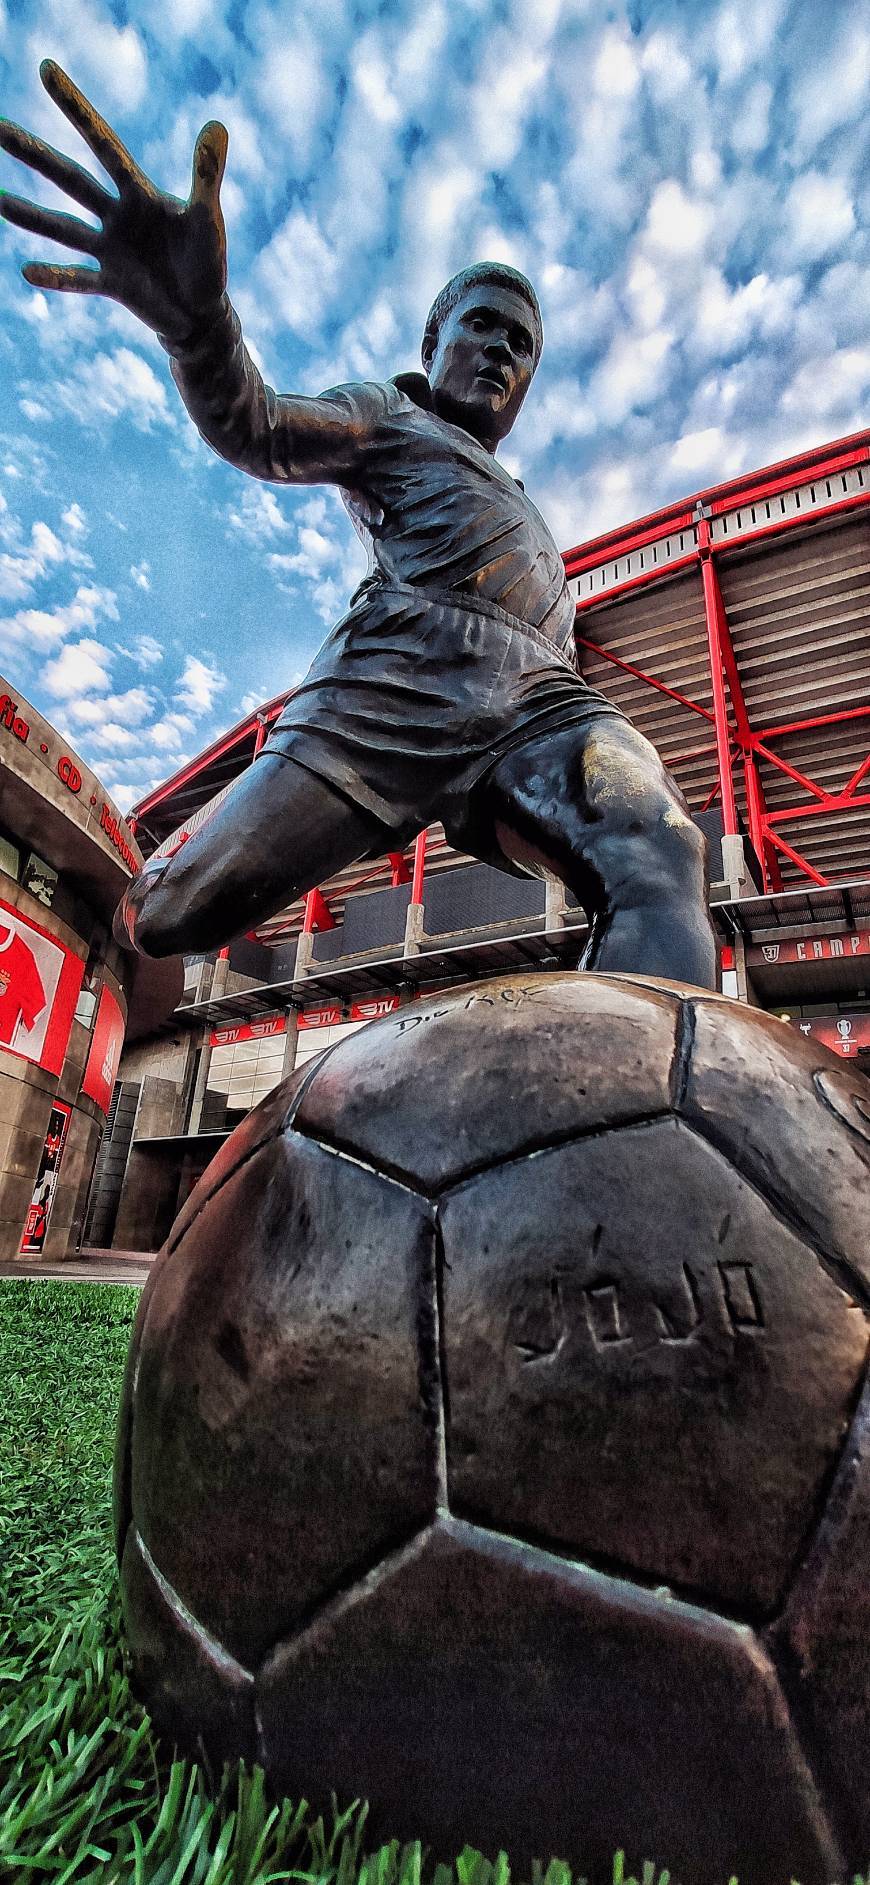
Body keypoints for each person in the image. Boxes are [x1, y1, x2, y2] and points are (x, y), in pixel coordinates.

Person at [0, 61, 716, 987]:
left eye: (522, 344)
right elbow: (258, 425)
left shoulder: (526, 507)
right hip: (391, 687)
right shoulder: (390, 414)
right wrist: (198, 325)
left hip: (537, 700)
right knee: (173, 913)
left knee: (660, 849)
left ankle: (641, 1115)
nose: (502, 349)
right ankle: (162, 864)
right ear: (433, 344)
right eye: (484, 326)